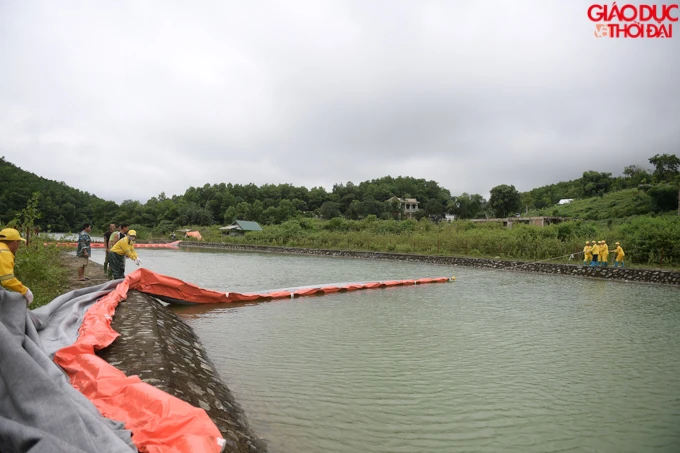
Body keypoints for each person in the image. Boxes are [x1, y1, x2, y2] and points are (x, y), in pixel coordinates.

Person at [0, 228, 33, 306]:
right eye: (19, 242)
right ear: (15, 242)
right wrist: (25, 291)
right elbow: (7, 280)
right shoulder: (4, 252)